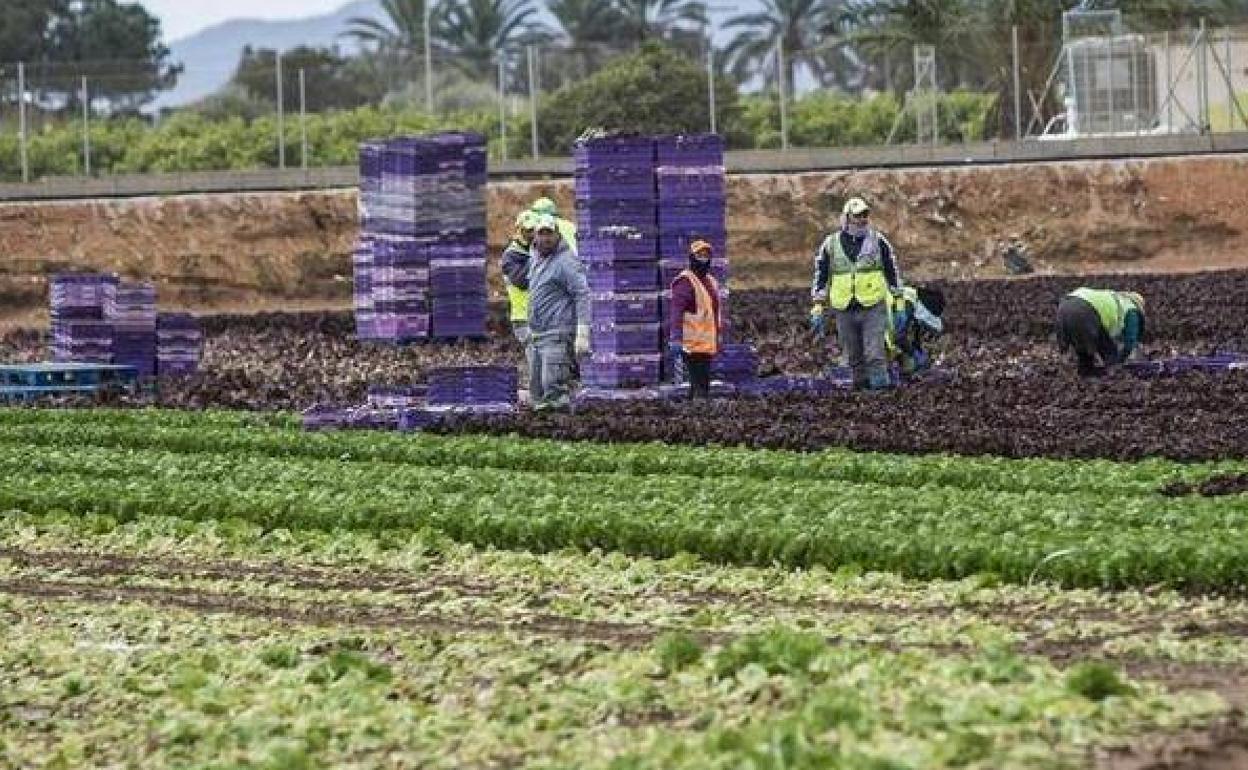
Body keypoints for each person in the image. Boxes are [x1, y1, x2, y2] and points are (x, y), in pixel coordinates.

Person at [809, 197, 903, 390]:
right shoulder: (831, 244)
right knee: (853, 356)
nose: (862, 220)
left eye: (865, 215)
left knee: (874, 354)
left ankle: (881, 392)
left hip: (872, 305)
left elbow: (891, 268)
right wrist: (818, 304)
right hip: (843, 307)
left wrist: (898, 298)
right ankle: (861, 391)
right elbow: (822, 273)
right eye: (857, 216)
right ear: (847, 218)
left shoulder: (878, 241)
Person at [526, 214, 591, 410]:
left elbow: (582, 294)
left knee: (553, 388)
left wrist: (582, 332)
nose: (545, 238)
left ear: (557, 235)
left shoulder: (566, 261)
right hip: (537, 335)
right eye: (541, 233)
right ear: (535, 236)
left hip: (557, 334)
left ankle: (561, 428)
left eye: (549, 233)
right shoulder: (536, 259)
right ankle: (542, 435)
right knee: (537, 391)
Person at [668, 239, 723, 399]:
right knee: (700, 383)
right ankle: (699, 411)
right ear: (692, 258)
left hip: (706, 343)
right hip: (691, 344)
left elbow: (713, 312)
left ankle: (693, 410)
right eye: (699, 255)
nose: (703, 258)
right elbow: (676, 311)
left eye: (706, 255)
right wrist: (676, 338)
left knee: (700, 383)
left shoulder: (711, 281)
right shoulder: (685, 281)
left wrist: (718, 333)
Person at [1056, 287, 1146, 377]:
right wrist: (1121, 359)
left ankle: (1085, 373)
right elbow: (1130, 341)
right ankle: (1113, 376)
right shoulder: (1131, 309)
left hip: (1064, 306)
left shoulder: (1113, 297)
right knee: (1109, 351)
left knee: (1082, 347)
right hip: (1085, 310)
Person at [888, 285, 945, 377]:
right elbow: (899, 337)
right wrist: (915, 354)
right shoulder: (907, 303)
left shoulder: (912, 297)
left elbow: (914, 334)